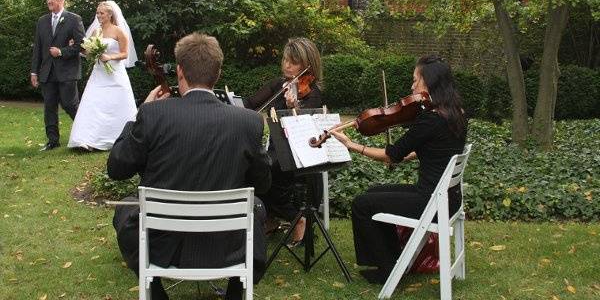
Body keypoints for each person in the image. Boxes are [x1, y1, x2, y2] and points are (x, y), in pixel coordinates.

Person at [107, 33, 271, 300]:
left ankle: (155, 293)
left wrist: (139, 115)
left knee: (125, 211)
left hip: (162, 246)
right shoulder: (249, 121)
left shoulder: (152, 115)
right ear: (217, 74)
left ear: (180, 71)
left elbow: (116, 168)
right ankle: (236, 293)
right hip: (227, 246)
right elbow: (263, 184)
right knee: (258, 209)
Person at [330, 55, 468, 284]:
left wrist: (351, 145)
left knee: (362, 204)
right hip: (448, 198)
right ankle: (393, 262)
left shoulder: (430, 120)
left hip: (431, 202)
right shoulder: (457, 114)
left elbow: (391, 156)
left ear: (430, 82)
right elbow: (429, 150)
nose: (412, 86)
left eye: (416, 80)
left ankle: (387, 269)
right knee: (374, 192)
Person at [243, 37, 323, 243]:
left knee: (267, 168)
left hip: (300, 152)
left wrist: (293, 108)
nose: (287, 65)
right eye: (286, 59)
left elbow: (306, 129)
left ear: (307, 65)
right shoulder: (279, 84)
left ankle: (297, 219)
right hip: (277, 149)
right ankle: (269, 218)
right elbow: (250, 103)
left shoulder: (313, 93)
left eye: (293, 61)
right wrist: (227, 103)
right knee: (254, 164)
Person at [67, 1, 137, 150]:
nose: (98, 16)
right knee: (93, 104)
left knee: (115, 104)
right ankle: (87, 140)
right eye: (97, 13)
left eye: (102, 13)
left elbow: (125, 54)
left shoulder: (119, 31)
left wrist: (110, 57)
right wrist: (79, 48)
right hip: (98, 73)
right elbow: (89, 52)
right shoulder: (95, 32)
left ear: (110, 14)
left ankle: (119, 137)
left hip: (115, 74)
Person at [30, 0, 85, 151]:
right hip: (47, 72)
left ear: (61, 0)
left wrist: (62, 52)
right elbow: (38, 48)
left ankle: (85, 134)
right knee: (49, 107)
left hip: (67, 71)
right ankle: (52, 141)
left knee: (70, 105)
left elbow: (81, 45)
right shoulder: (42, 21)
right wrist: (34, 71)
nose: (48, 1)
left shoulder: (74, 19)